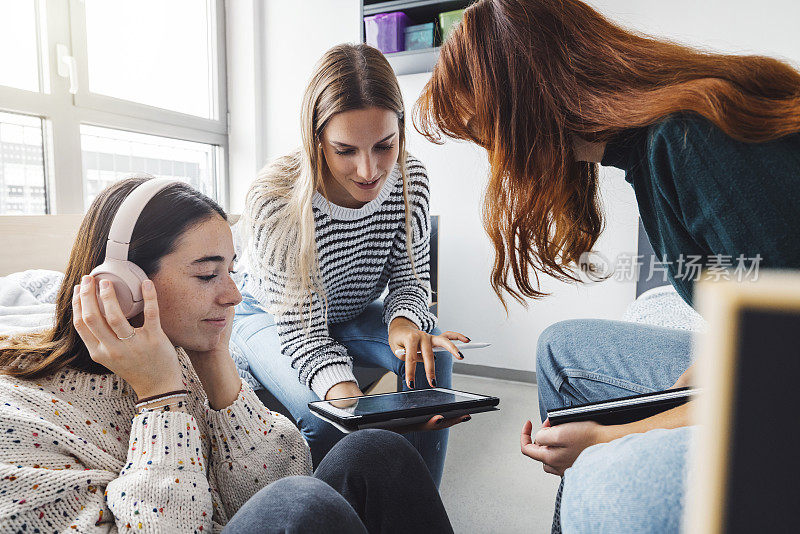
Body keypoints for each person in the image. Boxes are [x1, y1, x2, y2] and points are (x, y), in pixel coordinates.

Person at [414, 0, 800, 531]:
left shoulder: (692, 139)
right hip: (772, 355)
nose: (496, 157)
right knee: (561, 349)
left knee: (604, 482)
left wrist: (608, 440)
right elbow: (742, 335)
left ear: (527, 105)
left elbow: (777, 375)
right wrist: (661, 406)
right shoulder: (648, 150)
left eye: (490, 135)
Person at [0, 175, 454, 533]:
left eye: (231, 271)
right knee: (302, 503)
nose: (235, 296)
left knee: (376, 450)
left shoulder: (181, 355)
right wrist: (161, 399)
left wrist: (216, 363)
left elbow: (278, 477)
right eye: (206, 275)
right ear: (121, 288)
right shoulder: (22, 422)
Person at [231, 43, 469, 483]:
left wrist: (403, 325)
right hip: (273, 317)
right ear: (315, 139)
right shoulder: (277, 198)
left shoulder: (409, 179)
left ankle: (417, 510)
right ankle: (330, 515)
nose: (368, 171)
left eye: (385, 146)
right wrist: (351, 406)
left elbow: (409, 278)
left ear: (401, 131)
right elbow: (305, 334)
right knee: (328, 417)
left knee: (431, 352)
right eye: (345, 150)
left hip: (350, 312)